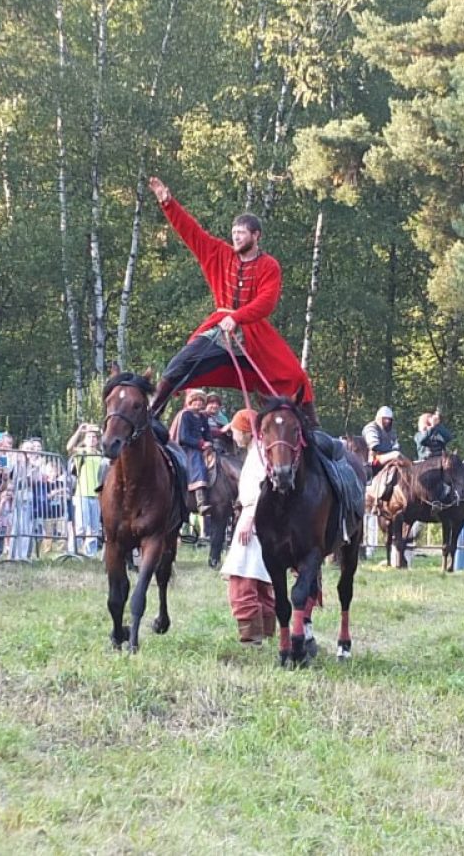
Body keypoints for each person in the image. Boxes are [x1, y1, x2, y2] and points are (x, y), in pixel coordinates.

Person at [146, 177, 318, 428]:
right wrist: (168, 203)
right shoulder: (219, 253)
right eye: (234, 233)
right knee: (179, 364)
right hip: (219, 328)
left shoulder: (269, 265)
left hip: (254, 333)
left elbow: (266, 302)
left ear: (256, 235)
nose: (236, 237)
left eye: (242, 233)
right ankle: (152, 415)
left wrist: (237, 317)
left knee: (294, 376)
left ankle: (312, 431)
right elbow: (191, 232)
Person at [220, 408, 277, 646]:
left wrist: (248, 518)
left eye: (234, 431)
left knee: (241, 580)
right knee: (261, 579)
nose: (232, 436)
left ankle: (251, 638)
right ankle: (266, 633)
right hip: (261, 521)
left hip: (254, 521)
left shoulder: (260, 455)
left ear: (246, 431)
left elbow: (262, 489)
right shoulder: (260, 452)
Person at [66, 422, 105, 557]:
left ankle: (90, 553)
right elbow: (69, 447)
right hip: (82, 493)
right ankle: (73, 551)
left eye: (94, 437)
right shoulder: (81, 452)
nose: (92, 439)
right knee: (81, 526)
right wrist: (79, 431)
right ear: (85, 439)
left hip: (97, 495)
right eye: (89, 437)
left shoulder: (101, 454)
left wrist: (102, 430)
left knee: (94, 527)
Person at [174, 389, 213, 515]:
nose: (198, 402)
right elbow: (183, 437)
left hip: (204, 447)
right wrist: (201, 444)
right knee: (197, 463)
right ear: (190, 401)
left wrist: (209, 443)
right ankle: (200, 501)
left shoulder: (202, 417)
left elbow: (207, 433)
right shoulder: (186, 415)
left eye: (201, 400)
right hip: (189, 448)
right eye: (195, 400)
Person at [362, 406, 402, 474]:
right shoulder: (371, 427)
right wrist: (391, 450)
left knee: (401, 458)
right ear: (379, 418)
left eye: (389, 419)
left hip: (387, 457)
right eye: (385, 419)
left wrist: (395, 448)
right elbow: (375, 446)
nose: (387, 421)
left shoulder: (391, 431)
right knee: (396, 455)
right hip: (374, 459)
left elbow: (396, 445)